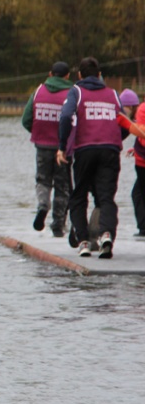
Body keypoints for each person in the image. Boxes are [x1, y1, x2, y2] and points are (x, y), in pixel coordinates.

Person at [57, 57, 128, 259]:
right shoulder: (113, 94)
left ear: (79, 75)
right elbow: (125, 123)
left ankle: (83, 242)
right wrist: (115, 139)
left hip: (84, 150)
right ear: (99, 75)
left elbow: (65, 116)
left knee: (79, 196)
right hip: (110, 150)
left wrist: (62, 146)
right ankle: (106, 235)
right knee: (106, 197)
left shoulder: (76, 91)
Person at [21, 61, 73, 236]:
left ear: (50, 74)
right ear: (67, 76)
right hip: (63, 149)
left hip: (42, 146)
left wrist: (39, 133)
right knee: (62, 186)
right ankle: (58, 224)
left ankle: (43, 205)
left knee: (43, 180)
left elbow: (26, 120)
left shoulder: (38, 91)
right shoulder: (72, 93)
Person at [121, 90, 145, 237]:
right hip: (140, 157)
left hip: (142, 162)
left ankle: (143, 228)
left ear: (130, 107)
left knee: (138, 194)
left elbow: (142, 133)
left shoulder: (141, 111)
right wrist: (135, 150)